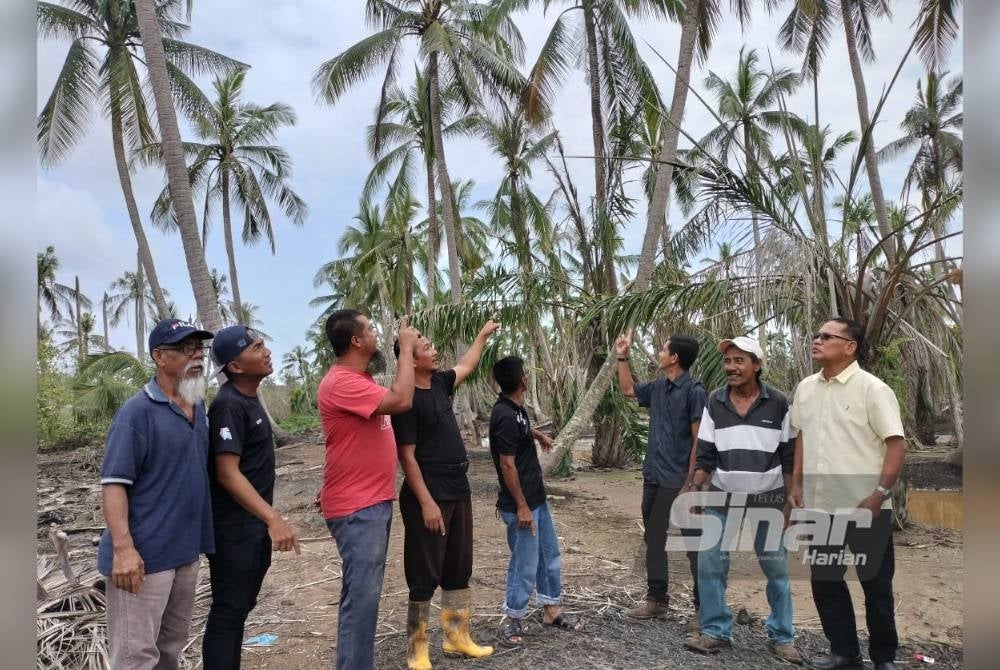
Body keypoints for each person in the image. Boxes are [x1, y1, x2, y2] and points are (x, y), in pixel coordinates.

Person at [97, 318, 215, 670]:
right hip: (142, 559)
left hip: (184, 553)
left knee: (169, 650)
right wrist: (123, 550)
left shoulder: (198, 408)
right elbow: (114, 484)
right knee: (136, 658)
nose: (196, 355)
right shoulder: (137, 413)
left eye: (199, 348)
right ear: (159, 357)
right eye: (185, 349)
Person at [789, 319, 906, 670]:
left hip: (865, 507)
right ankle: (844, 652)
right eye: (817, 334)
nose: (817, 339)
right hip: (820, 506)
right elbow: (802, 437)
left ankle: (884, 658)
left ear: (850, 347)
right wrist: (795, 482)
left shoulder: (873, 389)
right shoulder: (806, 388)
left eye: (827, 336)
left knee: (876, 586)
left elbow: (896, 444)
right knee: (826, 582)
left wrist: (879, 493)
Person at [683, 337, 802, 664]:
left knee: (775, 565)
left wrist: (791, 500)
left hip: (769, 498)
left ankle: (782, 636)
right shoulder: (714, 401)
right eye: (728, 361)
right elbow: (705, 453)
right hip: (722, 496)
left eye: (739, 361)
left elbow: (789, 454)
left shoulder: (778, 402)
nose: (731, 367)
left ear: (757, 365)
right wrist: (695, 489)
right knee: (710, 562)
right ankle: (716, 630)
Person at [391, 319, 500, 669]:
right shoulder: (405, 401)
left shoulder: (439, 382)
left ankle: (456, 638)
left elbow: (467, 364)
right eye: (425, 347)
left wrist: (482, 334)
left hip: (458, 487)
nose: (434, 349)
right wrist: (426, 502)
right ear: (411, 359)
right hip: (429, 491)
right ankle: (416, 649)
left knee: (458, 567)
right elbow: (406, 457)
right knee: (424, 573)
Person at [317, 309, 420, 669]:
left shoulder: (357, 380)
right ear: (356, 341)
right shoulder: (342, 382)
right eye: (371, 330)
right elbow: (403, 400)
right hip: (358, 508)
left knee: (362, 597)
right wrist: (405, 349)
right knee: (361, 600)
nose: (377, 335)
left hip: (367, 503)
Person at [202, 326, 300, 669]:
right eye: (257, 347)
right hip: (234, 529)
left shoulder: (248, 399)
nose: (266, 351)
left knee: (238, 610)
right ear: (236, 366)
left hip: (250, 526)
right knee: (228, 613)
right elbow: (227, 472)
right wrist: (273, 518)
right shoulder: (228, 405)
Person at [489, 355, 583, 647]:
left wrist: (537, 434)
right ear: (523, 381)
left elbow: (519, 431)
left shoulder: (516, 409)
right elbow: (507, 464)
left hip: (536, 498)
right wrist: (521, 506)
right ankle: (513, 617)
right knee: (525, 563)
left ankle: (551, 608)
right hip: (521, 504)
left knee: (548, 554)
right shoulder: (503, 414)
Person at [615, 332, 706, 631]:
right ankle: (657, 599)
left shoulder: (694, 391)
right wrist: (622, 356)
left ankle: (703, 608)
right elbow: (628, 389)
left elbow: (698, 441)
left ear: (675, 358)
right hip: (653, 476)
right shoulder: (657, 387)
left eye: (664, 348)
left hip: (680, 480)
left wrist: (690, 483)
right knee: (654, 539)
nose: (660, 351)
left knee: (694, 545)